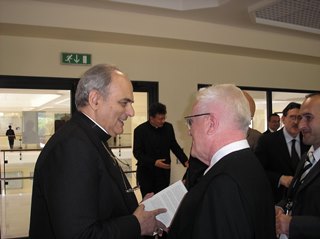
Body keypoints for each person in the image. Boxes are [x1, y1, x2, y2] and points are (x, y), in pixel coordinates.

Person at [29, 64, 166, 239]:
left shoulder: (89, 137)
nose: (131, 112)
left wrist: (137, 212)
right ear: (95, 100)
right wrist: (136, 224)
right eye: (124, 103)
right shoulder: (72, 146)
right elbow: (79, 234)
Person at [168, 84, 275, 239]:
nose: (189, 131)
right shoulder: (248, 164)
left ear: (211, 124)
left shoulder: (224, 183)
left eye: (191, 122)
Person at [276, 92, 320, 239]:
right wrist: (280, 207)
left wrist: (293, 225)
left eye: (308, 118)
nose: (300, 125)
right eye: (300, 118)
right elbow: (293, 195)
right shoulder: (307, 157)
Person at [255, 102, 310, 203]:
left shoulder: (308, 140)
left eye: (299, 117)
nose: (296, 122)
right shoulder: (267, 141)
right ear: (283, 119)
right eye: (292, 117)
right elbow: (257, 170)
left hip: (304, 200)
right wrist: (280, 178)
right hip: (277, 200)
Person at [133, 102, 188, 197]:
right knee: (148, 202)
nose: (163, 121)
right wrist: (154, 162)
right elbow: (137, 153)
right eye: (160, 119)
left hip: (163, 174)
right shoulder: (140, 130)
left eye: (164, 118)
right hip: (146, 173)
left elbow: (174, 146)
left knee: (163, 200)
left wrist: (185, 161)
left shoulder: (168, 127)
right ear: (151, 118)